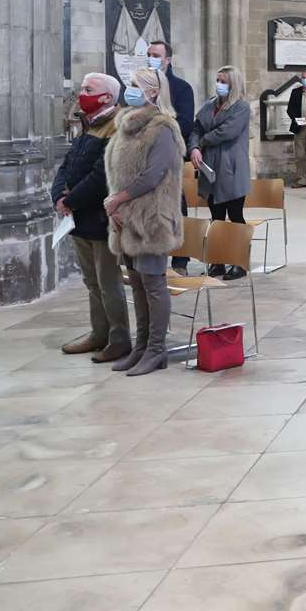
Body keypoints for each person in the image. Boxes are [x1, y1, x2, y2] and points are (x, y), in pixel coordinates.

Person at [102, 68, 185, 377]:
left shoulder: (164, 128)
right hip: (126, 217)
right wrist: (117, 202)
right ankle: (141, 346)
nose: (129, 89)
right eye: (129, 84)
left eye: (136, 85)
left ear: (152, 92)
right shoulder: (126, 125)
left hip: (151, 217)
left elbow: (153, 174)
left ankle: (157, 349)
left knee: (153, 284)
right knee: (136, 284)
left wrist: (119, 198)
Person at [52, 72, 131, 363]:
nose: (81, 93)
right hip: (79, 216)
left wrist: (70, 200)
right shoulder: (90, 123)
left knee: (108, 281)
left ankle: (119, 338)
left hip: (100, 215)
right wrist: (58, 195)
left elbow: (102, 175)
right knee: (91, 281)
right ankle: (99, 333)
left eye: (88, 89)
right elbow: (68, 164)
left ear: (107, 97)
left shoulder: (116, 125)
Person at [188, 65, 252, 279]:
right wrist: (194, 148)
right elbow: (195, 128)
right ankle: (217, 261)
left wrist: (204, 141)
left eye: (224, 81)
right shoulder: (209, 105)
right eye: (218, 80)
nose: (219, 85)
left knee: (235, 216)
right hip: (210, 168)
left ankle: (239, 262)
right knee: (216, 218)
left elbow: (227, 131)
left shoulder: (241, 107)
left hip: (231, 168)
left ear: (233, 84)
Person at [147, 41, 195, 272]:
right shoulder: (141, 85)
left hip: (170, 155)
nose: (151, 58)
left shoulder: (182, 88)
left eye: (156, 54)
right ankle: (152, 258)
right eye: (148, 54)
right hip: (144, 157)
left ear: (168, 59)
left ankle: (180, 259)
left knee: (176, 207)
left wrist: (156, 127)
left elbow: (185, 123)